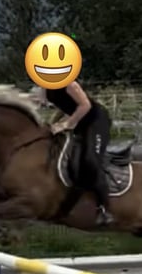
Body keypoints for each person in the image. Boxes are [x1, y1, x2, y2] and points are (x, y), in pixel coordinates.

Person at [40, 82, 114, 225]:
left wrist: (66, 124)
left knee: (90, 160)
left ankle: (105, 209)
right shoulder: (47, 88)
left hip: (96, 121)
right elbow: (65, 106)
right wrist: (53, 123)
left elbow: (85, 105)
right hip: (81, 123)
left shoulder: (70, 84)